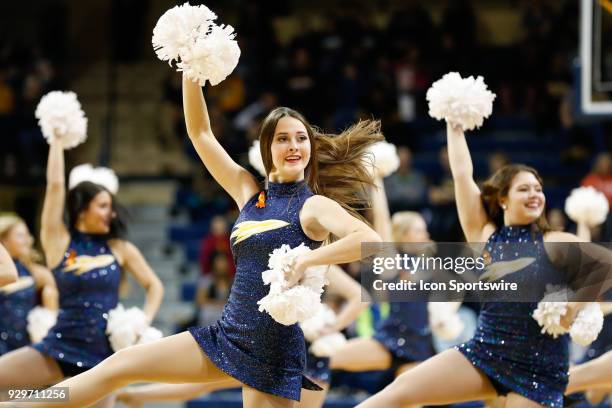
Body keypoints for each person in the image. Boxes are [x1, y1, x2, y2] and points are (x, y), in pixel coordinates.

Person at [7, 74, 382, 408]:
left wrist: (306, 261)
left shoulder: (312, 205)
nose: (294, 146)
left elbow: (369, 238)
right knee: (120, 366)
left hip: (272, 347)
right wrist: (191, 65)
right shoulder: (247, 194)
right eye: (283, 138)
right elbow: (200, 133)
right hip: (227, 334)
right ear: (266, 148)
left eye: (301, 138)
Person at [356, 122, 592, 408]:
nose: (535, 195)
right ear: (503, 198)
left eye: (538, 189)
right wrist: (454, 126)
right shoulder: (485, 235)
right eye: (524, 189)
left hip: (538, 368)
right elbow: (462, 176)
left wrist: (572, 306)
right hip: (487, 351)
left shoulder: (556, 239)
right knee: (403, 388)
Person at [0, 137, 163, 408]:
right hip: (59, 347)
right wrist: (56, 141)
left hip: (103, 359)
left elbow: (154, 285)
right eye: (103, 206)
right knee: (17, 395)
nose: (110, 214)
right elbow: (54, 187)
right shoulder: (59, 242)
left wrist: (142, 322)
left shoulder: (120, 247)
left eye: (111, 208)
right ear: (81, 208)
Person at [115, 264, 368, 408]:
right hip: (265, 344)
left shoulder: (321, 262)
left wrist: (329, 328)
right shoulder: (276, 252)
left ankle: (131, 394)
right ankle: (131, 395)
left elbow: (360, 295)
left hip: (308, 357)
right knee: (204, 383)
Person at [329, 175, 435, 387]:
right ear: (403, 235)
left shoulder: (430, 264)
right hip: (390, 340)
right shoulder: (393, 261)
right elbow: (383, 222)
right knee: (323, 357)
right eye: (419, 230)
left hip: (420, 345)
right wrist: (376, 183)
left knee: (409, 401)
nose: (426, 235)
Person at [0, 214, 58, 355]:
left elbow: (51, 313)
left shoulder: (38, 274)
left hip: (26, 344)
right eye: (20, 236)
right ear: (3, 240)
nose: (28, 240)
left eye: (28, 235)